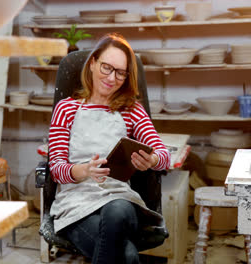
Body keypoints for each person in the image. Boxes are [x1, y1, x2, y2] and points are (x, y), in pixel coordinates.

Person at [48, 33, 171, 264]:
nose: (112, 77)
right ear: (93, 63)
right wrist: (85, 170)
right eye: (106, 67)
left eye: (120, 72)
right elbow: (56, 168)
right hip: (76, 204)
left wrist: (152, 160)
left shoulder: (132, 111)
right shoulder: (66, 109)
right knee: (128, 257)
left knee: (117, 210)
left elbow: (165, 156)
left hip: (120, 201)